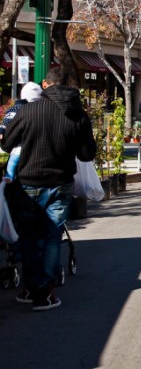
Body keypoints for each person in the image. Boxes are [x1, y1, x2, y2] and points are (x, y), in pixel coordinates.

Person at [1, 67, 96, 311]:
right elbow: (87, 154)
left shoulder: (29, 110)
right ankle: (45, 292)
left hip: (29, 182)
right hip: (61, 181)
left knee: (30, 236)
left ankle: (32, 288)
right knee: (52, 236)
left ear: (46, 85)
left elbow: (8, 142)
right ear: (68, 85)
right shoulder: (78, 115)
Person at [0, 82, 43, 181]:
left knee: (11, 167)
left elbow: (7, 121)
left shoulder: (17, 108)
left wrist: (2, 130)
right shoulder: (42, 110)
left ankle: (8, 181)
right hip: (36, 152)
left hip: (18, 149)